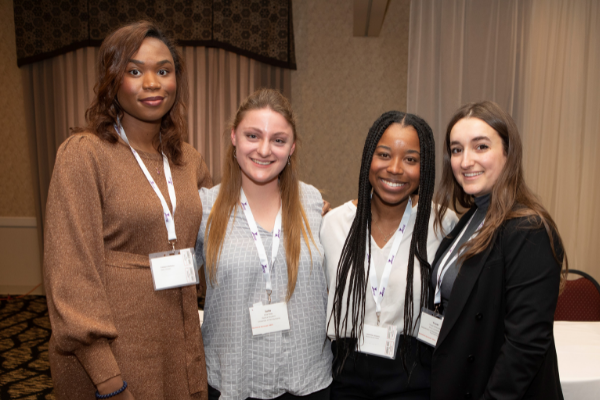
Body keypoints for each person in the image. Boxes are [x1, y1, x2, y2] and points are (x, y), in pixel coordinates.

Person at [44, 21, 211, 399]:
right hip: (114, 353)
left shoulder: (188, 159)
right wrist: (108, 379)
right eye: (134, 71)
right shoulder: (84, 154)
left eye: (163, 71)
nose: (152, 83)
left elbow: (225, 220)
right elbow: (70, 273)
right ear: (112, 79)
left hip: (178, 339)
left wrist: (307, 212)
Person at [195, 88, 332, 400]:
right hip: (233, 379)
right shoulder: (205, 208)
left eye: (278, 140)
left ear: (292, 147)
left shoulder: (313, 204)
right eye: (253, 136)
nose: (265, 150)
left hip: (307, 379)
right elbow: (169, 290)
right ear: (234, 137)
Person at [430, 101, 566, 400]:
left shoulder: (528, 228)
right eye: (456, 149)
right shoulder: (470, 217)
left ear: (508, 153)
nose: (465, 161)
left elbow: (525, 345)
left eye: (480, 147)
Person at [322, 111, 458, 399]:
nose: (395, 168)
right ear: (368, 158)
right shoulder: (333, 223)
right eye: (384, 154)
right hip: (344, 373)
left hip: (414, 374)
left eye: (411, 159)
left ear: (426, 168)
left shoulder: (443, 224)